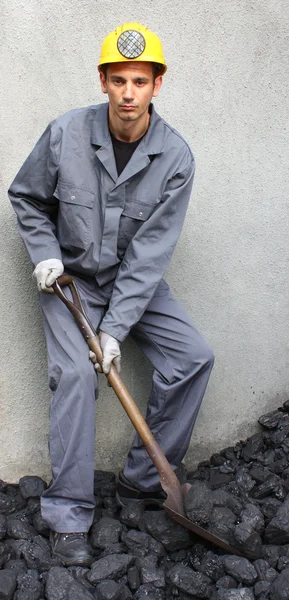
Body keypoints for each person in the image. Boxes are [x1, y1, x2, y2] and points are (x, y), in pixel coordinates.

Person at [8, 22, 214, 567]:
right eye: (118, 80)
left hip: (131, 283)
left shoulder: (175, 159)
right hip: (70, 281)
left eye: (140, 81)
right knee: (76, 375)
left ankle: (142, 482)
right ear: (102, 81)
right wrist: (45, 254)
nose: (128, 93)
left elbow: (148, 257)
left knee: (193, 358)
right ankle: (68, 515)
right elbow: (27, 198)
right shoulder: (64, 133)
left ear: (157, 86)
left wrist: (115, 329)